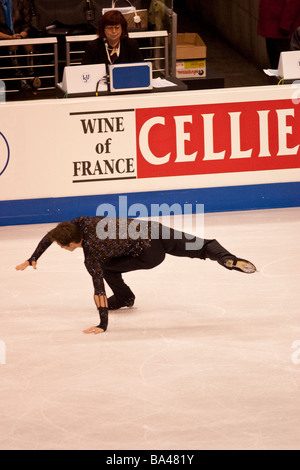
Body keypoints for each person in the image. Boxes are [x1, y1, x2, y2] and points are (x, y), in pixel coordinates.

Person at [15, 216, 257, 335]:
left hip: (148, 254)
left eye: (62, 245)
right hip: (153, 229)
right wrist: (34, 256)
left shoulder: (93, 255)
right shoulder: (80, 222)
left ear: (71, 242)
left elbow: (98, 291)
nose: (60, 247)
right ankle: (226, 258)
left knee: (108, 268)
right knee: (202, 245)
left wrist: (102, 324)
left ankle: (124, 298)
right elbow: (52, 235)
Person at [0, 0, 40, 93]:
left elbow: (28, 23)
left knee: (28, 45)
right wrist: (10, 37)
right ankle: (21, 80)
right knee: (12, 46)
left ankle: (31, 77)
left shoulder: (21, 1)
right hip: (4, 36)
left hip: (20, 34)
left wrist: (21, 35)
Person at [257, 0, 300, 68]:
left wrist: (286, 24)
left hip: (283, 30)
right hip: (274, 27)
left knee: (284, 69)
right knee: (277, 67)